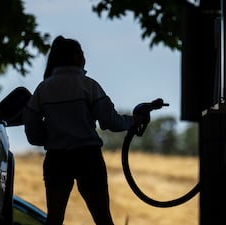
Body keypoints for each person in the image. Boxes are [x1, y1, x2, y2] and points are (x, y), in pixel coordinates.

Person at [23, 35, 139, 225]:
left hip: (56, 159)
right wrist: (134, 121)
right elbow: (112, 122)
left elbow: (32, 129)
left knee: (54, 219)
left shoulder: (43, 89)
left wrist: (47, 137)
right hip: (88, 158)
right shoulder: (89, 86)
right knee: (103, 219)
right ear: (77, 56)